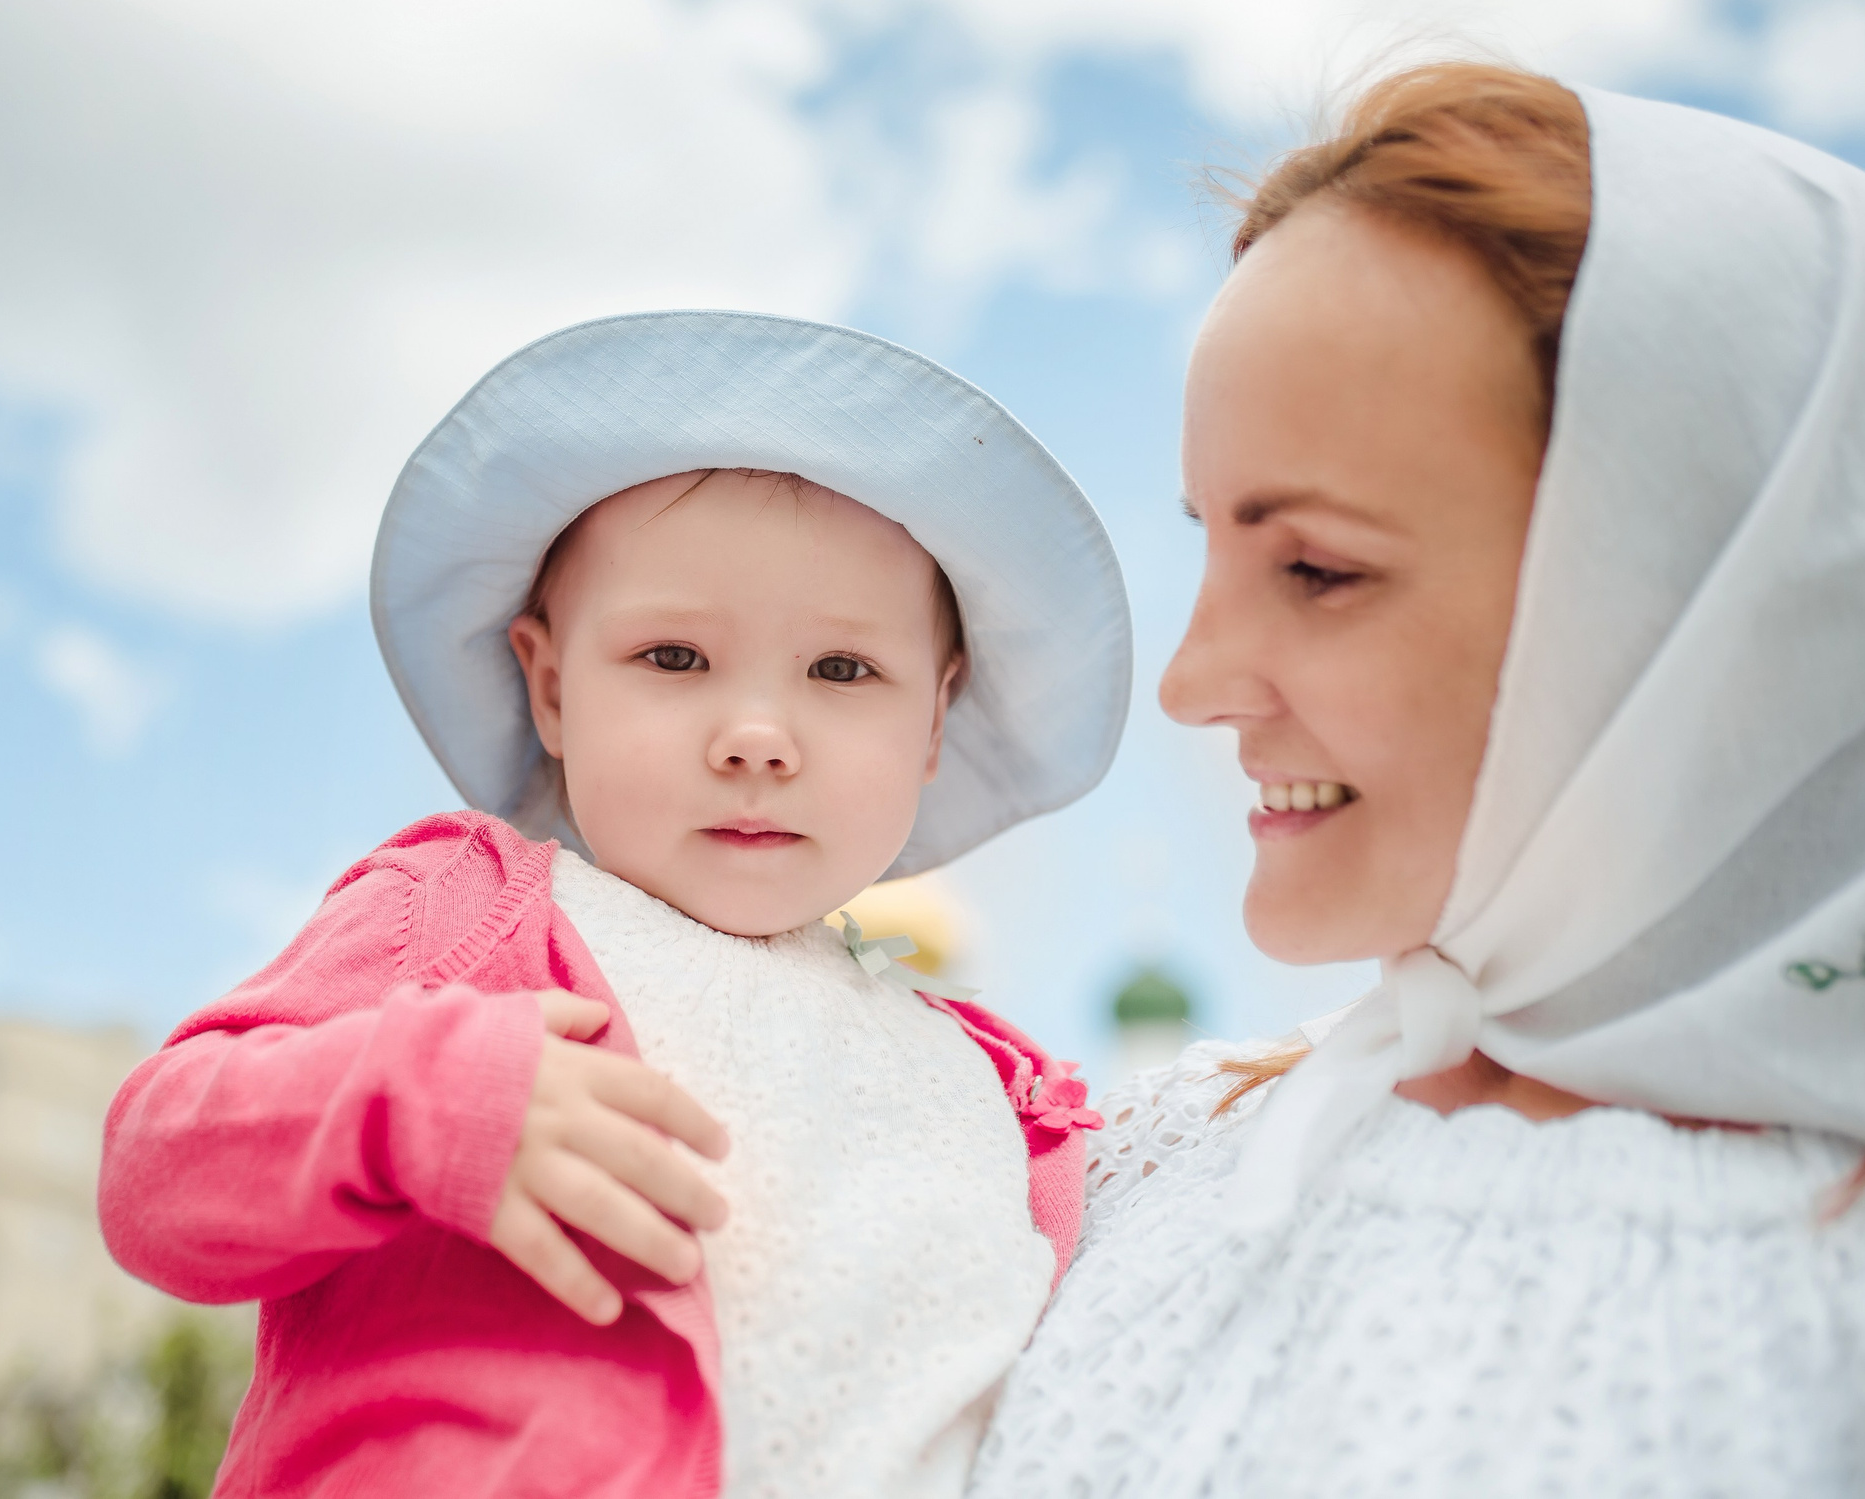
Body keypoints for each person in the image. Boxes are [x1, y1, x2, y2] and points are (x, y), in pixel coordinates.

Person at [972, 64, 1865, 1496]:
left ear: (1718, 618)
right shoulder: (1149, 1165)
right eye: (1210, 537)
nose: (1191, 681)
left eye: (1318, 568)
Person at [98, 311, 1129, 1498]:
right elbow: (153, 1172)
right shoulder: (467, 911)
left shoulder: (999, 1096)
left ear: (935, 720)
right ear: (548, 685)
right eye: (674, 658)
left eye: (842, 670)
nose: (756, 736)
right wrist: (418, 1103)